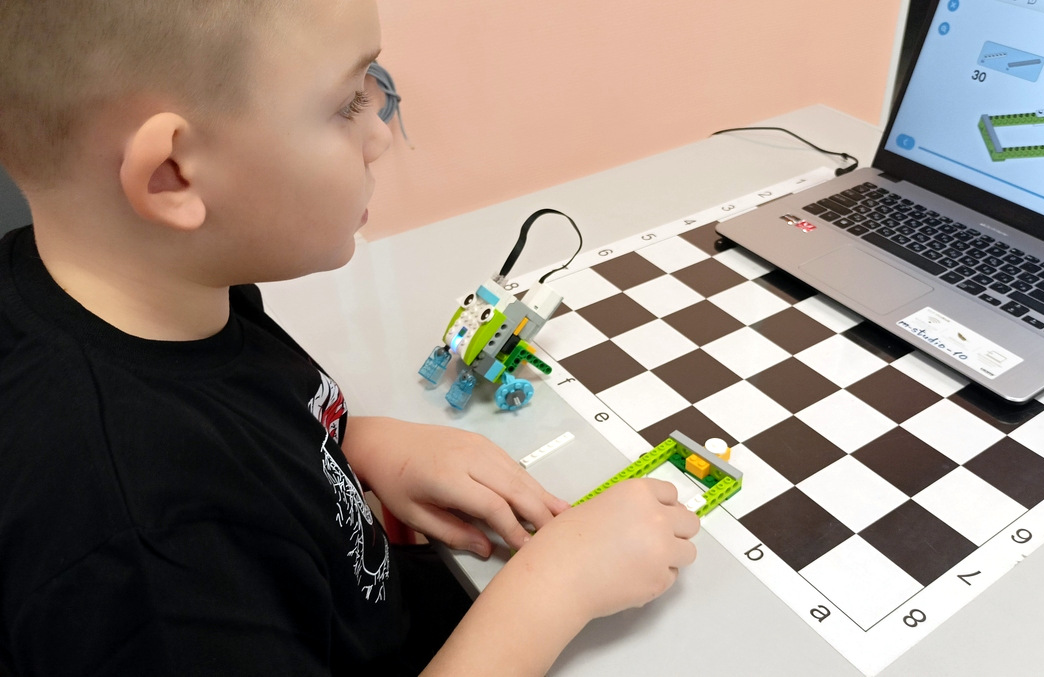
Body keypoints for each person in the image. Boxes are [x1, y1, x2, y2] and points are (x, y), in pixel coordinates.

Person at [0, 1, 701, 675]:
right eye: (346, 104)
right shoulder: (149, 557)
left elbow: (237, 410)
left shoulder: (148, 285)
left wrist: (357, 444)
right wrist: (557, 589)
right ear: (173, 175)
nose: (381, 136)